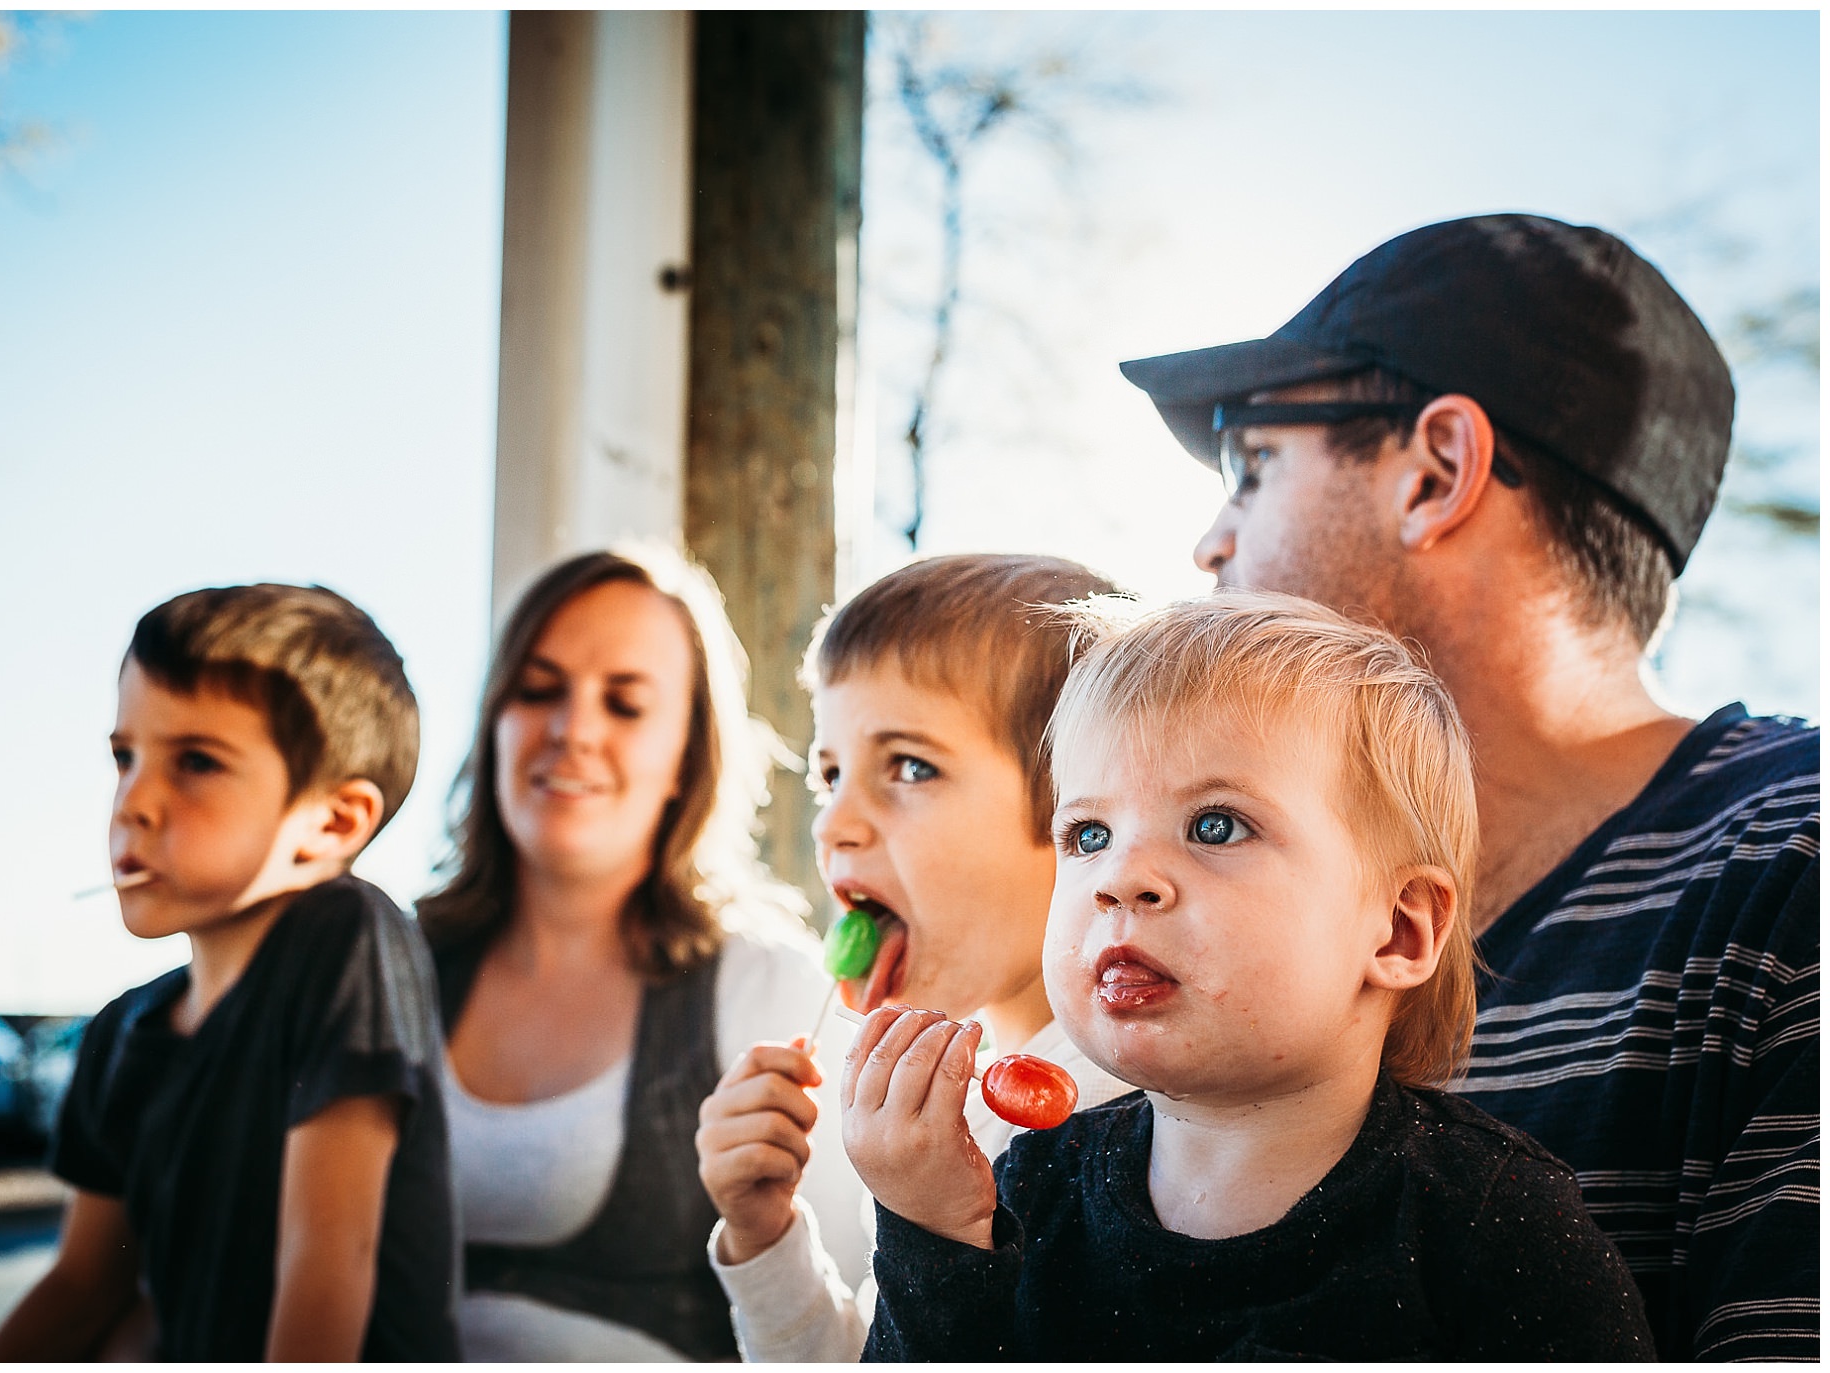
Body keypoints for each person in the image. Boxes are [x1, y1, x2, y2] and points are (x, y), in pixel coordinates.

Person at [1117, 212, 1819, 1360]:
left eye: (1251, 465)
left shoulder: (1795, 869)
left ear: (1435, 471)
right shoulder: (1197, 918)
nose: (1208, 541)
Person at [848, 590, 1656, 1360]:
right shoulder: (1029, 1190)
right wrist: (935, 1231)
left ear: (1401, 929)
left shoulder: (1493, 1225)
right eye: (1089, 834)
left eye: (1214, 825)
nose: (1120, 878)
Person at [0, 584, 460, 1361]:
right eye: (124, 755)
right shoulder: (119, 1033)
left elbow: (328, 1259)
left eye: (197, 761)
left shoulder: (347, 938)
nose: (133, 800)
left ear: (332, 822)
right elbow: (82, 1287)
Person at [414, 545, 868, 1361]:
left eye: (624, 704)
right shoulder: (389, 966)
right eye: (539, 689)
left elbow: (839, 1344)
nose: (573, 730)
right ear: (494, 719)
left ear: (685, 757)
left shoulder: (773, 992)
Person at [697, 553, 1138, 1362]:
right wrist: (766, 1238)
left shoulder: (1135, 1115)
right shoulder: (945, 1112)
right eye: (829, 772)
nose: (832, 822)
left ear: (1079, 815)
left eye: (908, 765)